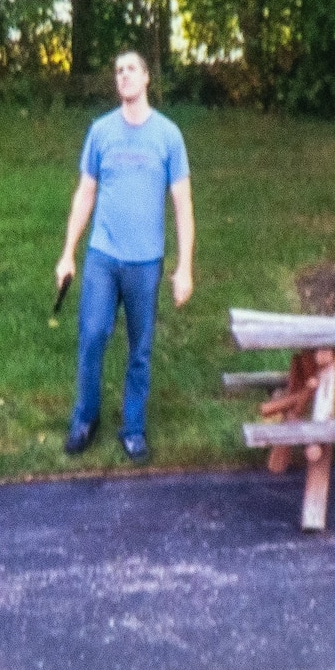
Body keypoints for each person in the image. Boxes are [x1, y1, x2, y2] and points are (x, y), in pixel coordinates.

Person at [56, 50, 194, 463]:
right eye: (117, 70)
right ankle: (86, 418)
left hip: (145, 263)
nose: (123, 76)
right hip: (102, 256)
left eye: (131, 69)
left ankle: (133, 428)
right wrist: (68, 254)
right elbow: (86, 193)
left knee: (140, 349)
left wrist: (184, 267)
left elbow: (183, 204)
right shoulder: (100, 132)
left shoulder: (168, 136)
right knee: (92, 335)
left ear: (147, 78)